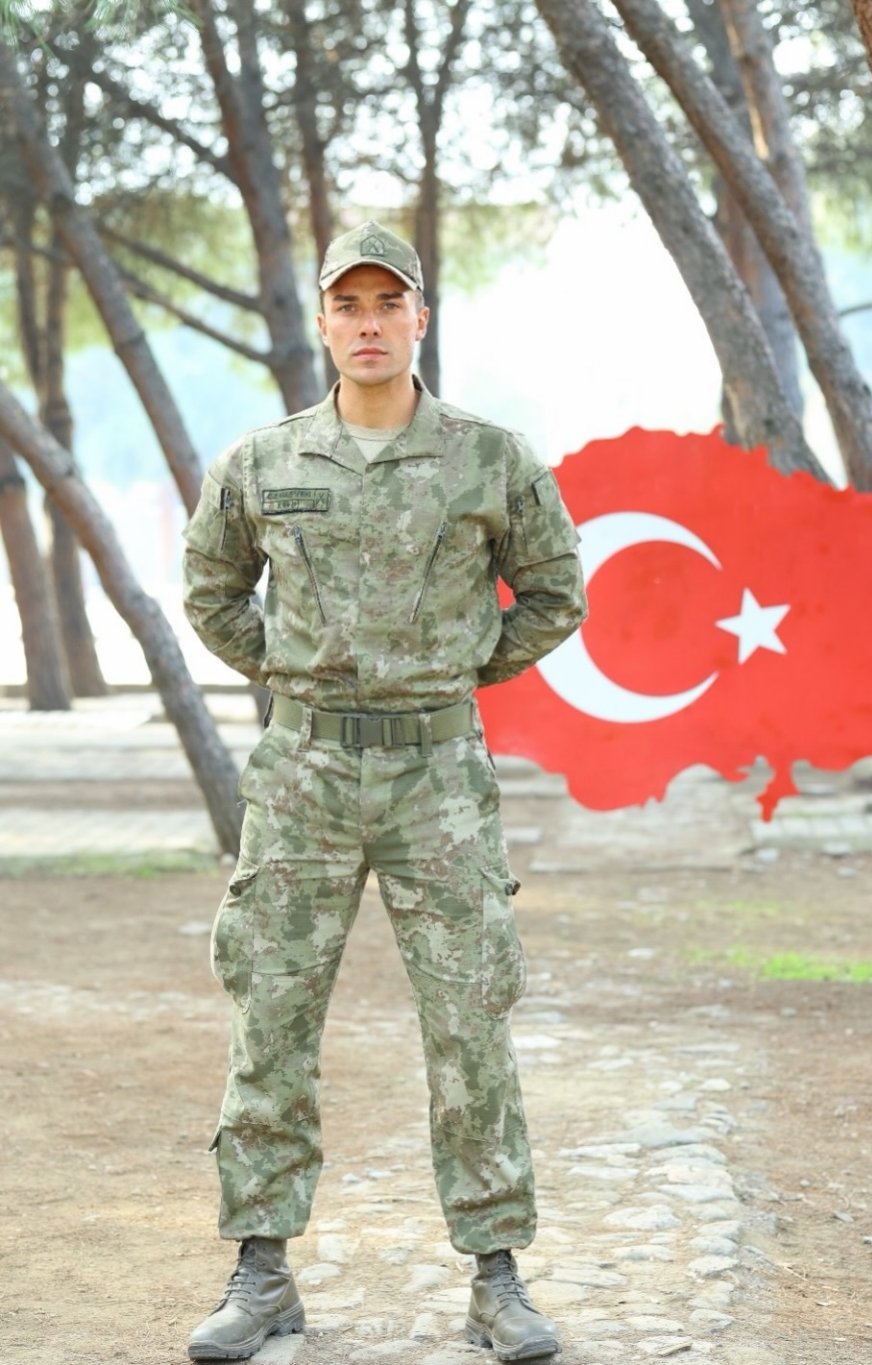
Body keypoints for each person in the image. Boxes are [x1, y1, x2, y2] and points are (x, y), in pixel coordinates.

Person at [181, 219, 587, 1363]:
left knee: (469, 1019)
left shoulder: (488, 459)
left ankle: (496, 1278)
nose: (368, 324)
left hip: (437, 781)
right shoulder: (263, 463)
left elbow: (554, 591)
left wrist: (455, 672)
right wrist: (295, 673)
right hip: (303, 774)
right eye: (348, 305)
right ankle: (262, 1273)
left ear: (420, 318)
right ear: (323, 323)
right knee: (271, 1016)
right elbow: (211, 591)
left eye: (387, 304)